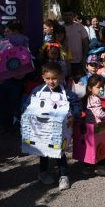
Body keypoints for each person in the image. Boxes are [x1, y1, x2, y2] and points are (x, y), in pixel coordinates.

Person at [25, 62, 81, 191]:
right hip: (42, 129)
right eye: (48, 78)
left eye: (54, 78)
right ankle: (43, 173)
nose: (51, 82)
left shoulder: (66, 93)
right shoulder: (37, 91)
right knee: (43, 152)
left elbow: (76, 105)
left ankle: (64, 175)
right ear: (43, 77)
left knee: (59, 152)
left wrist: (74, 115)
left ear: (61, 77)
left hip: (59, 130)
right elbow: (28, 104)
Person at [61, 8, 89, 75]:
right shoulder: (60, 28)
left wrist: (85, 56)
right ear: (62, 16)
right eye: (65, 15)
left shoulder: (80, 27)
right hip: (64, 61)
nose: (68, 17)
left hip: (79, 61)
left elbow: (85, 42)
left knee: (79, 81)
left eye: (70, 15)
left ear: (73, 15)